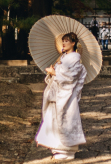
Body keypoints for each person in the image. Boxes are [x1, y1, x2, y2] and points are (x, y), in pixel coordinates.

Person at [35, 32, 88, 161]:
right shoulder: (63, 57)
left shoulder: (75, 57)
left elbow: (71, 76)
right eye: (63, 41)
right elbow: (61, 73)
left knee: (66, 120)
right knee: (54, 119)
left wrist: (56, 72)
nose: (64, 43)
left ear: (73, 43)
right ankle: (57, 147)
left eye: (66, 41)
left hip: (67, 95)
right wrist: (54, 71)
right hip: (58, 92)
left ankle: (68, 150)